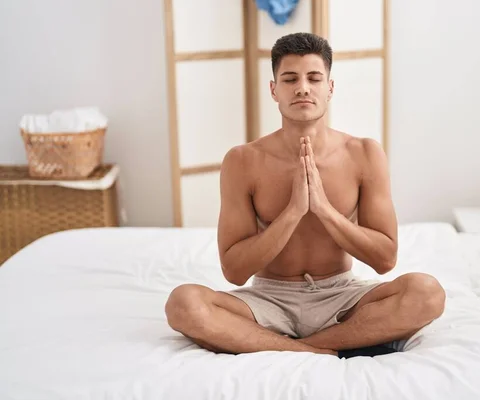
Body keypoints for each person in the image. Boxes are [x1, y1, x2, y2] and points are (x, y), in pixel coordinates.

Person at [165, 32, 445, 358]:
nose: (302, 88)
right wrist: (293, 211)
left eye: (314, 78)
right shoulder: (242, 161)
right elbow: (234, 270)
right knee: (183, 303)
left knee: (427, 293)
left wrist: (324, 209)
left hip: (342, 295)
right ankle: (321, 346)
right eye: (289, 79)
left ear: (330, 88)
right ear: (274, 90)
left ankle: (293, 345)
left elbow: (385, 260)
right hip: (268, 298)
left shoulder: (364, 154)